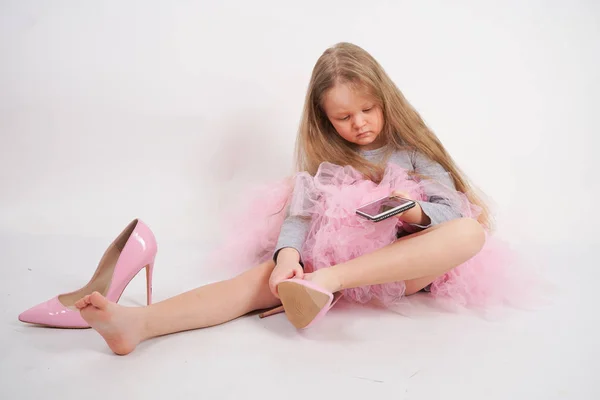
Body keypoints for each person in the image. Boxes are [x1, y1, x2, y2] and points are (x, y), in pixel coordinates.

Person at [19, 42, 509, 355]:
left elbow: (453, 213)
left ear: (387, 101)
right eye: (343, 117)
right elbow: (300, 216)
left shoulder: (412, 152)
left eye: (367, 109)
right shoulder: (324, 160)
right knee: (256, 281)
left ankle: (326, 284)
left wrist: (416, 210)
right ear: (323, 119)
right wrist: (289, 258)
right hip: (324, 266)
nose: (358, 123)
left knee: (469, 233)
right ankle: (138, 323)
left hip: (400, 269)